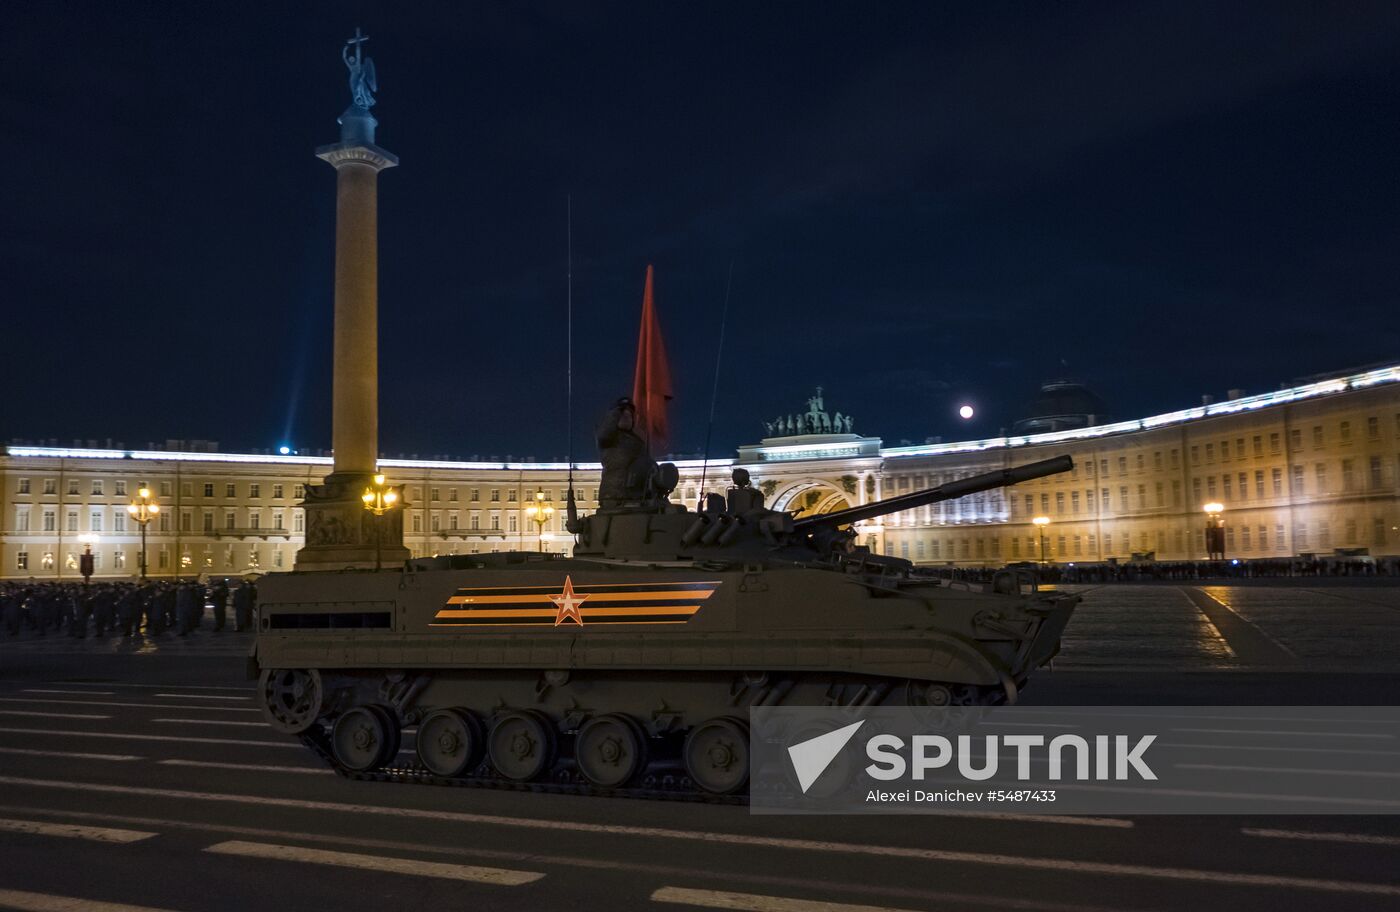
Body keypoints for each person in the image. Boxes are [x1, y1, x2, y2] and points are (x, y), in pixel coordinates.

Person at [595, 397, 656, 507]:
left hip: (636, 497)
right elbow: (604, 433)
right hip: (614, 497)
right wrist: (616, 411)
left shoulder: (638, 441)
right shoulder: (610, 438)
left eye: (629, 416)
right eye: (623, 415)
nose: (627, 418)